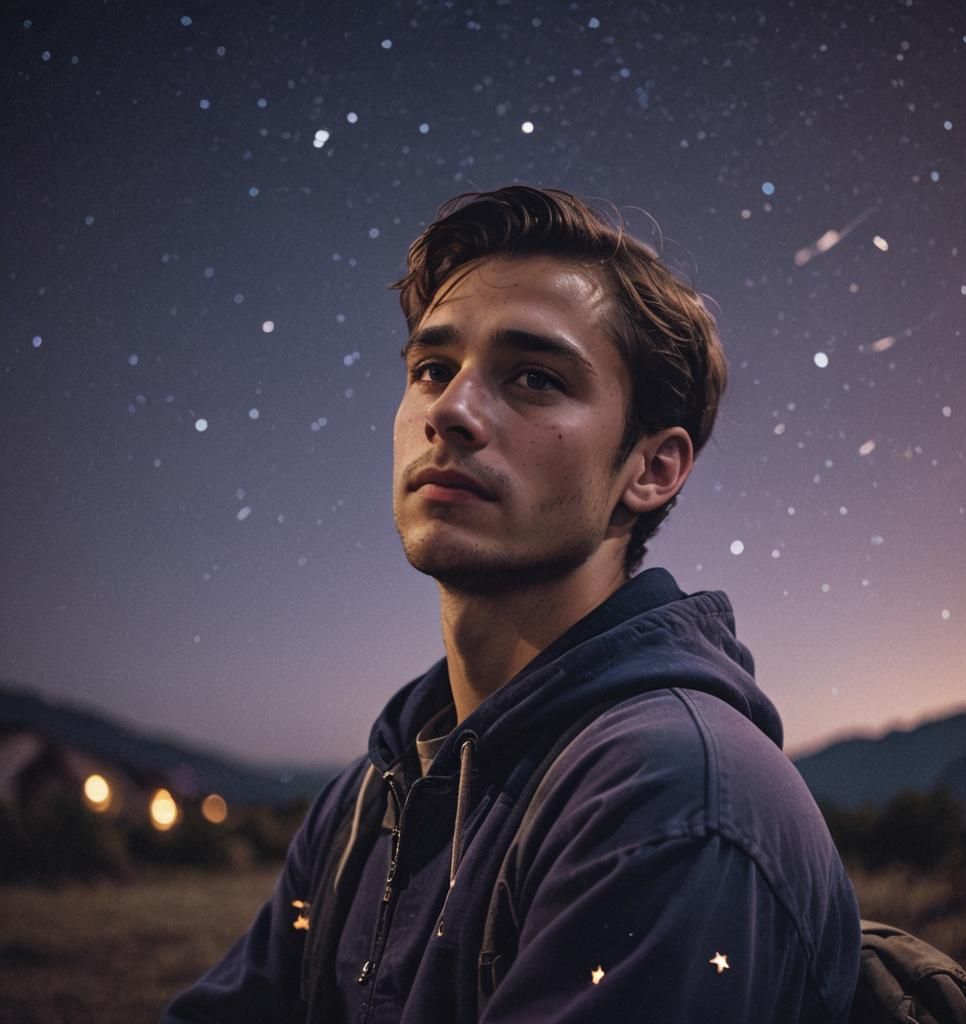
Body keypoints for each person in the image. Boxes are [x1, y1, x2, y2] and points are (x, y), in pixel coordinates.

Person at [162, 185, 861, 1023]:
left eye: (534, 378)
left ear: (651, 469)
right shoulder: (370, 799)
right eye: (431, 369)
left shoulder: (673, 801)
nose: (450, 411)